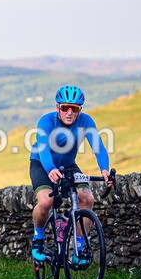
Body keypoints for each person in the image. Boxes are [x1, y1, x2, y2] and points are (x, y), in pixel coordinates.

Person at [29, 85, 112, 264]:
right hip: (42, 164)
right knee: (46, 201)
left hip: (68, 166)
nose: (69, 112)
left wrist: (105, 169)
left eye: (74, 109)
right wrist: (50, 169)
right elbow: (43, 148)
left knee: (87, 199)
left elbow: (98, 146)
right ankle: (38, 237)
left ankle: (79, 250)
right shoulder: (46, 121)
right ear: (57, 107)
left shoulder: (86, 121)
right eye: (65, 107)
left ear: (79, 110)